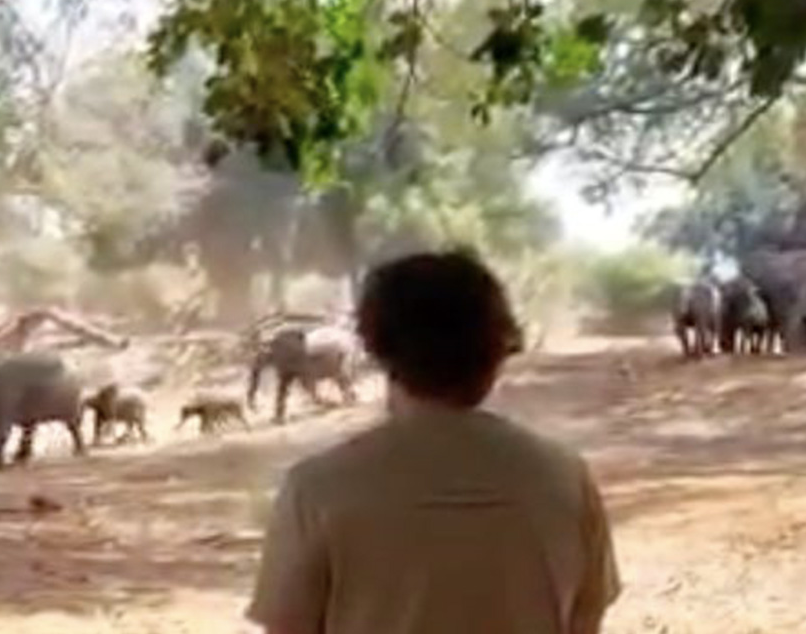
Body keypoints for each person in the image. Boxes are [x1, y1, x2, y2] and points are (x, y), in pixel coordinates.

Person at [246, 250, 620, 634]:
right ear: (495, 353)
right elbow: (584, 623)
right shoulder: (565, 479)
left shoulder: (316, 489)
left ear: (376, 350)